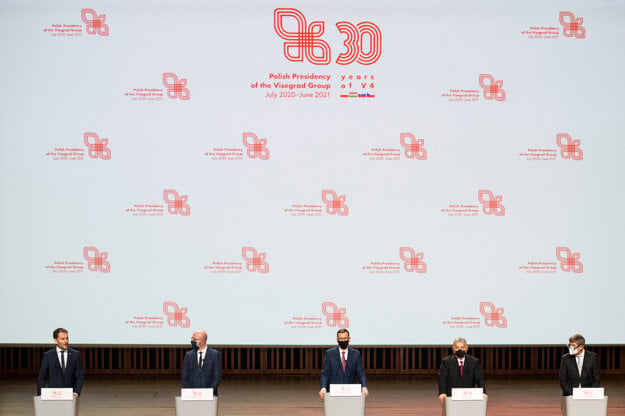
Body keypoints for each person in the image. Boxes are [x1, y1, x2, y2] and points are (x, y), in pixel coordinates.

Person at [319, 328, 369, 399]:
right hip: (333, 392)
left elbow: (360, 373)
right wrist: (323, 387)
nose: (343, 340)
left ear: (349, 339)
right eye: (341, 338)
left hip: (351, 392)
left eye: (345, 338)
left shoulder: (356, 354)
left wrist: (364, 386)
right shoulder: (330, 353)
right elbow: (325, 373)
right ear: (337, 340)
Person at [37, 328, 84, 396]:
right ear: (55, 340)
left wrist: (76, 392)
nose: (66, 341)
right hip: (53, 395)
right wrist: (41, 394)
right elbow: (42, 378)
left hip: (70, 396)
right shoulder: (48, 355)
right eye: (62, 339)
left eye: (67, 338)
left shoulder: (75, 354)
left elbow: (80, 376)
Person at [438, 337, 486, 402]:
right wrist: (442, 393)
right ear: (453, 349)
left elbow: (479, 379)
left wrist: (483, 392)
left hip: (469, 395)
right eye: (457, 348)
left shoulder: (474, 362)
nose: (460, 350)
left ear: (466, 349)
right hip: (451, 396)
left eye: (462, 347)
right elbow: (443, 379)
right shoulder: (446, 362)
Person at [181, 330, 222, 395]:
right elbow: (184, 377)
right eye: (192, 338)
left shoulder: (214, 355)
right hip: (191, 395)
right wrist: (190, 392)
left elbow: (217, 377)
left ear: (202, 341)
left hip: (209, 395)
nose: (192, 341)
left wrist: (207, 393)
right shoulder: (188, 355)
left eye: (195, 339)